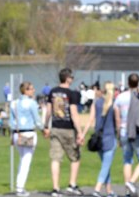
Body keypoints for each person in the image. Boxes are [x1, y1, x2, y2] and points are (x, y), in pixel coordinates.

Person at [43, 67, 83, 197]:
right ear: (67, 78)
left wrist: (46, 126)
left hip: (55, 127)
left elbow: (48, 111)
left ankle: (56, 188)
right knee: (75, 157)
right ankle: (72, 184)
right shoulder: (72, 94)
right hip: (68, 128)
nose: (72, 79)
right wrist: (80, 132)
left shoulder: (52, 92)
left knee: (55, 158)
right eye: (71, 77)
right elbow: (74, 113)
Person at [114, 73, 139, 197]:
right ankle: (131, 182)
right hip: (136, 131)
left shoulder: (120, 97)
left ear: (128, 83)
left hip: (124, 130)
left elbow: (117, 118)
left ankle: (128, 190)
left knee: (127, 160)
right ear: (138, 83)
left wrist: (118, 134)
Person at [80, 81, 117, 197]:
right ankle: (97, 189)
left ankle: (109, 190)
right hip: (110, 136)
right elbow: (118, 121)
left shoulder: (96, 103)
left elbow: (90, 120)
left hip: (99, 138)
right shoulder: (114, 104)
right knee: (106, 166)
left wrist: (83, 134)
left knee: (106, 165)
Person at [10, 81, 43, 197]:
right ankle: (20, 187)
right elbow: (37, 119)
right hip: (29, 133)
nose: (33, 90)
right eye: (31, 89)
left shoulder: (14, 103)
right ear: (26, 90)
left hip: (17, 134)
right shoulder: (32, 103)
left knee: (22, 159)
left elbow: (11, 121)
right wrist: (44, 129)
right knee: (26, 161)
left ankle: (19, 185)